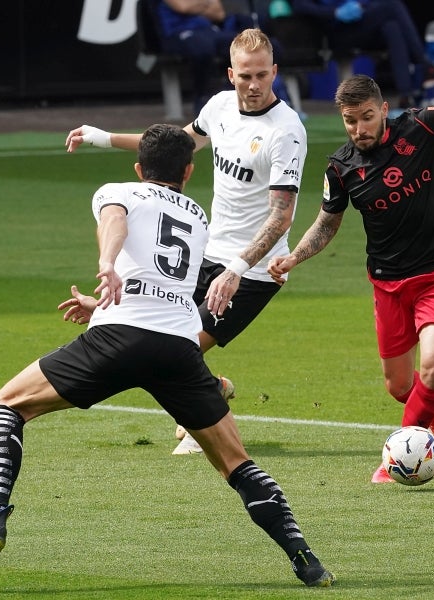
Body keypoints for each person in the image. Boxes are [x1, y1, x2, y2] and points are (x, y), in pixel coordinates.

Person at [0, 124, 335, 587]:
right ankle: (306, 559)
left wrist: (106, 265)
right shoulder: (198, 217)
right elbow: (163, 284)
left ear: (139, 169)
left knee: (7, 405)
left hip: (118, 339)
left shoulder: (119, 191)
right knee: (236, 463)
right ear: (188, 171)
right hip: (179, 347)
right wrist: (102, 305)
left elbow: (115, 222)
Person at [268, 75, 434, 483]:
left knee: (433, 370)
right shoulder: (341, 167)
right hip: (388, 285)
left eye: (366, 117)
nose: (359, 128)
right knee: (399, 386)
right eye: (350, 120)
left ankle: (397, 457)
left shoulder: (422, 126)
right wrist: (294, 257)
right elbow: (326, 224)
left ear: (383, 109)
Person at [65, 28, 306, 455]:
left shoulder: (286, 132)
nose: (254, 85)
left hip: (253, 270)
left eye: (262, 75)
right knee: (160, 339)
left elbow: (281, 216)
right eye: (245, 76)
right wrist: (103, 138)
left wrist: (236, 270)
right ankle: (213, 389)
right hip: (206, 254)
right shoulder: (219, 107)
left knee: (180, 348)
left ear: (275, 72)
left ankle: (203, 425)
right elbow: (172, 147)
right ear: (231, 74)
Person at [290, 0, 434, 108]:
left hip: (359, 24)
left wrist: (360, 5)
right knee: (393, 6)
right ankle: (425, 65)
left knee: (391, 27)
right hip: (333, 32)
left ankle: (406, 96)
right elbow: (299, 6)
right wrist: (334, 12)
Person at [151, 0, 256, 114]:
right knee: (202, 47)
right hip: (180, 32)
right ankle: (202, 96)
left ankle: (235, 93)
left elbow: (219, 14)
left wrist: (194, 6)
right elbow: (183, 7)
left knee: (241, 45)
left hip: (209, 31)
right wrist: (206, 4)